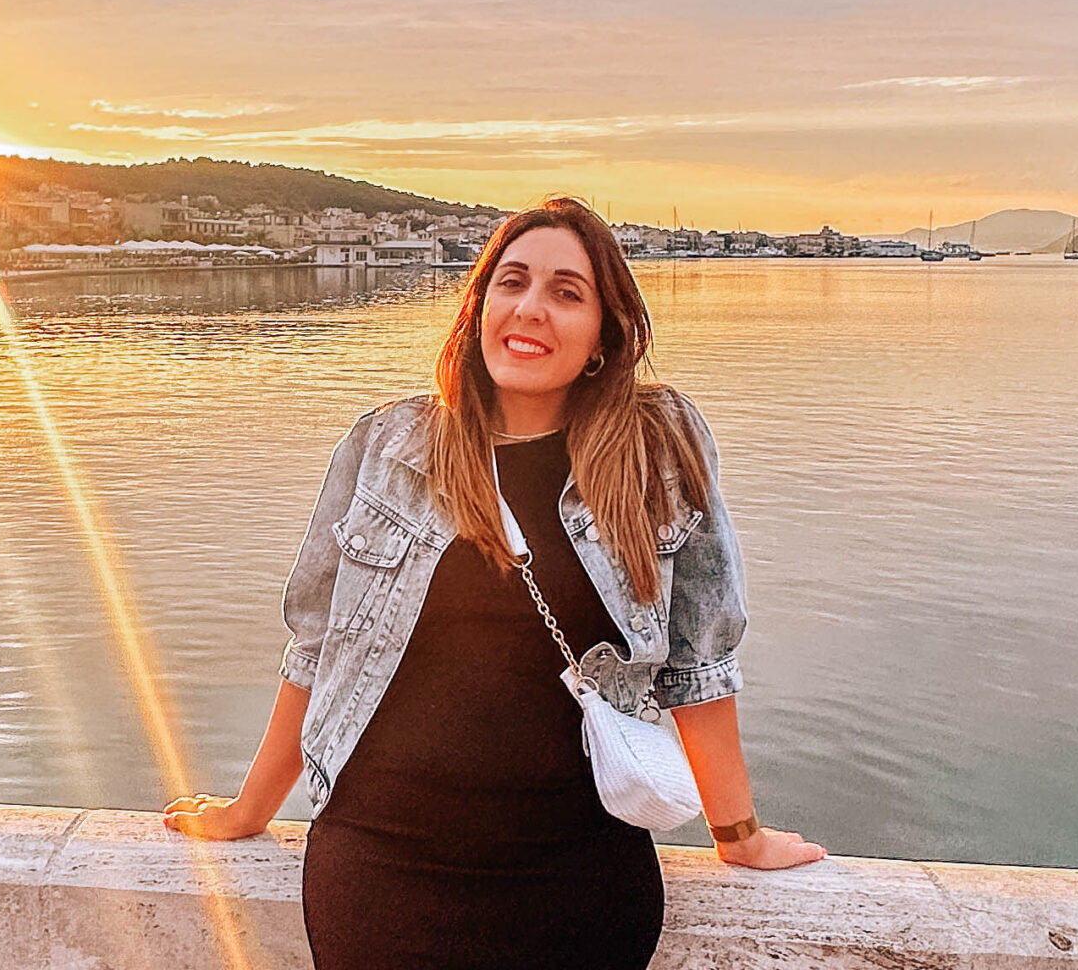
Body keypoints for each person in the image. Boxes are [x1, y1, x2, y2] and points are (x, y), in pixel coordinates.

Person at [165, 196, 824, 969]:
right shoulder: (388, 445)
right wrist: (250, 810)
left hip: (581, 875)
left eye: (566, 292)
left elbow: (699, 663)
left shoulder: (658, 449)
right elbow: (315, 648)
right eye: (511, 283)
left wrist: (738, 835)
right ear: (479, 308)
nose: (531, 309)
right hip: (382, 870)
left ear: (605, 337)